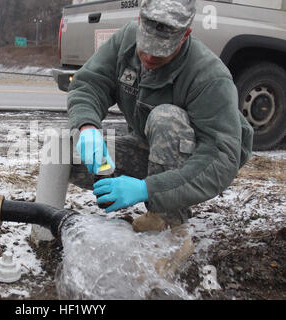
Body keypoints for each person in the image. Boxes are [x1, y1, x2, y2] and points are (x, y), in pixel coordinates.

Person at [67, 0, 253, 233]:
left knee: (165, 118)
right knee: (65, 154)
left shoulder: (209, 76)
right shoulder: (126, 40)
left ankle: (170, 226)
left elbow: (221, 158)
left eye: (161, 51)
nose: (150, 57)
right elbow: (90, 84)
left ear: (186, 35)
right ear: (139, 23)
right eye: (145, 47)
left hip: (193, 162)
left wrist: (148, 190)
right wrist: (86, 127)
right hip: (147, 146)